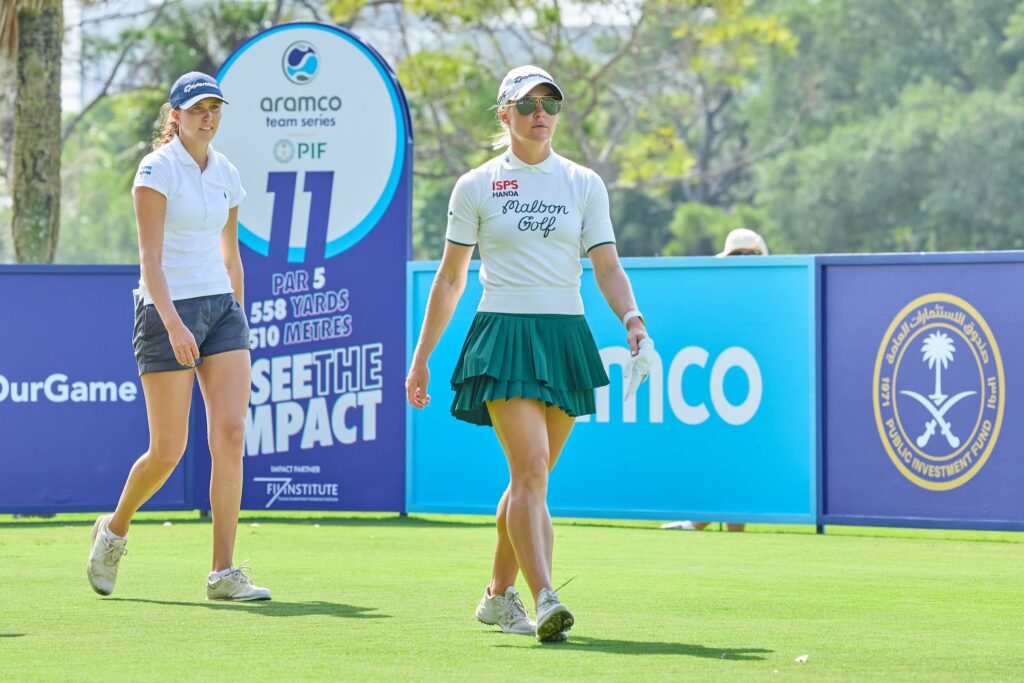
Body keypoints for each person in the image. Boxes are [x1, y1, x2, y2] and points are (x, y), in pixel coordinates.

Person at [406, 65, 650, 643]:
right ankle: (545, 597)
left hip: (565, 335)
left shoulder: (584, 183)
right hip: (505, 336)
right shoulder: (477, 185)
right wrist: (422, 359)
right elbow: (448, 281)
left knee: (529, 483)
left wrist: (633, 319)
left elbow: (607, 265)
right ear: (504, 115)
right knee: (532, 470)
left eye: (549, 104)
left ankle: (497, 596)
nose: (540, 113)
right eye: (527, 104)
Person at [86, 72, 269, 601]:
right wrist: (173, 323)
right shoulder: (155, 169)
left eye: (214, 108)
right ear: (176, 116)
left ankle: (223, 572)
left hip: (222, 311)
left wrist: (238, 311)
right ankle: (114, 529)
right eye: (196, 109)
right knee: (168, 450)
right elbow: (149, 259)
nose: (207, 117)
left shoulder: (227, 171)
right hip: (166, 309)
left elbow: (231, 252)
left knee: (231, 434)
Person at [661, 227, 769, 533]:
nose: (744, 261)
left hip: (757, 386)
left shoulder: (769, 292)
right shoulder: (719, 292)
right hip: (721, 384)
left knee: (745, 462)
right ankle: (699, 522)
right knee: (723, 461)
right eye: (738, 255)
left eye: (750, 255)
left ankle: (711, 527)